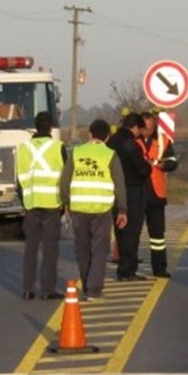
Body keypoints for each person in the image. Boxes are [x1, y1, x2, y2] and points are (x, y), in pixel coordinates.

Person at [60, 119, 128, 300]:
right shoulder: (110, 155)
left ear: (89, 134)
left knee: (82, 249)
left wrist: (66, 202)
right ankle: (94, 289)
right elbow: (119, 184)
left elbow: (65, 180)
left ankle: (86, 283)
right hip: (101, 210)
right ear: (107, 137)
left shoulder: (76, 152)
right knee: (99, 250)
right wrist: (122, 209)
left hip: (79, 208)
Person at [16, 111, 67, 301]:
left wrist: (25, 202)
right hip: (52, 203)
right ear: (51, 127)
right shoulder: (58, 147)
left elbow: (19, 179)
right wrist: (65, 202)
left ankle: (28, 289)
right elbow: (65, 178)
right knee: (50, 248)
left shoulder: (23, 148)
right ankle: (48, 290)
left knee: (31, 247)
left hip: (31, 203)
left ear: (35, 126)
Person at [107, 112, 151, 281]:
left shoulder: (111, 142)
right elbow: (142, 168)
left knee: (120, 230)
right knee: (132, 230)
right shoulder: (131, 144)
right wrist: (148, 167)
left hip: (114, 191)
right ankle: (128, 269)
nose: (140, 133)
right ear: (134, 128)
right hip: (132, 190)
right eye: (140, 129)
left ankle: (124, 267)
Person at [138, 112, 178, 278]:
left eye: (151, 127)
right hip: (137, 191)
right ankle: (130, 268)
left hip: (156, 193)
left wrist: (164, 165)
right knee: (133, 233)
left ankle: (159, 268)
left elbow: (173, 162)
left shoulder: (163, 140)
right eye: (145, 128)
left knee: (157, 235)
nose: (147, 131)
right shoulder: (133, 140)